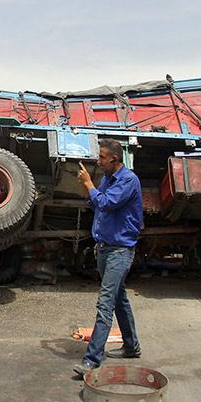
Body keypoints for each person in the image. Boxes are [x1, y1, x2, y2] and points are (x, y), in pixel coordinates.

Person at [73, 138, 143, 376]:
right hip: (105, 247)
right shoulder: (107, 179)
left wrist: (89, 184)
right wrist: (87, 187)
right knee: (119, 299)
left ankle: (91, 360)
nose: (99, 161)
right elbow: (96, 205)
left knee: (105, 303)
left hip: (120, 251)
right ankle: (132, 346)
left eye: (102, 158)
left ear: (114, 159)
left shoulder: (128, 180)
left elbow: (105, 202)